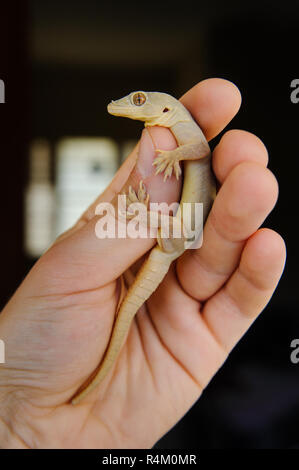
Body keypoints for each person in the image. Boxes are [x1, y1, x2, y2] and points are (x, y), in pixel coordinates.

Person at [0, 79, 286, 448]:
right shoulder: (177, 129)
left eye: (137, 101)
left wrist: (15, 425)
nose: (127, 105)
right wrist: (13, 422)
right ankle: (91, 386)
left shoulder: (186, 131)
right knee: (128, 308)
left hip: (177, 238)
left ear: (166, 109)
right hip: (177, 238)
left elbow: (199, 148)